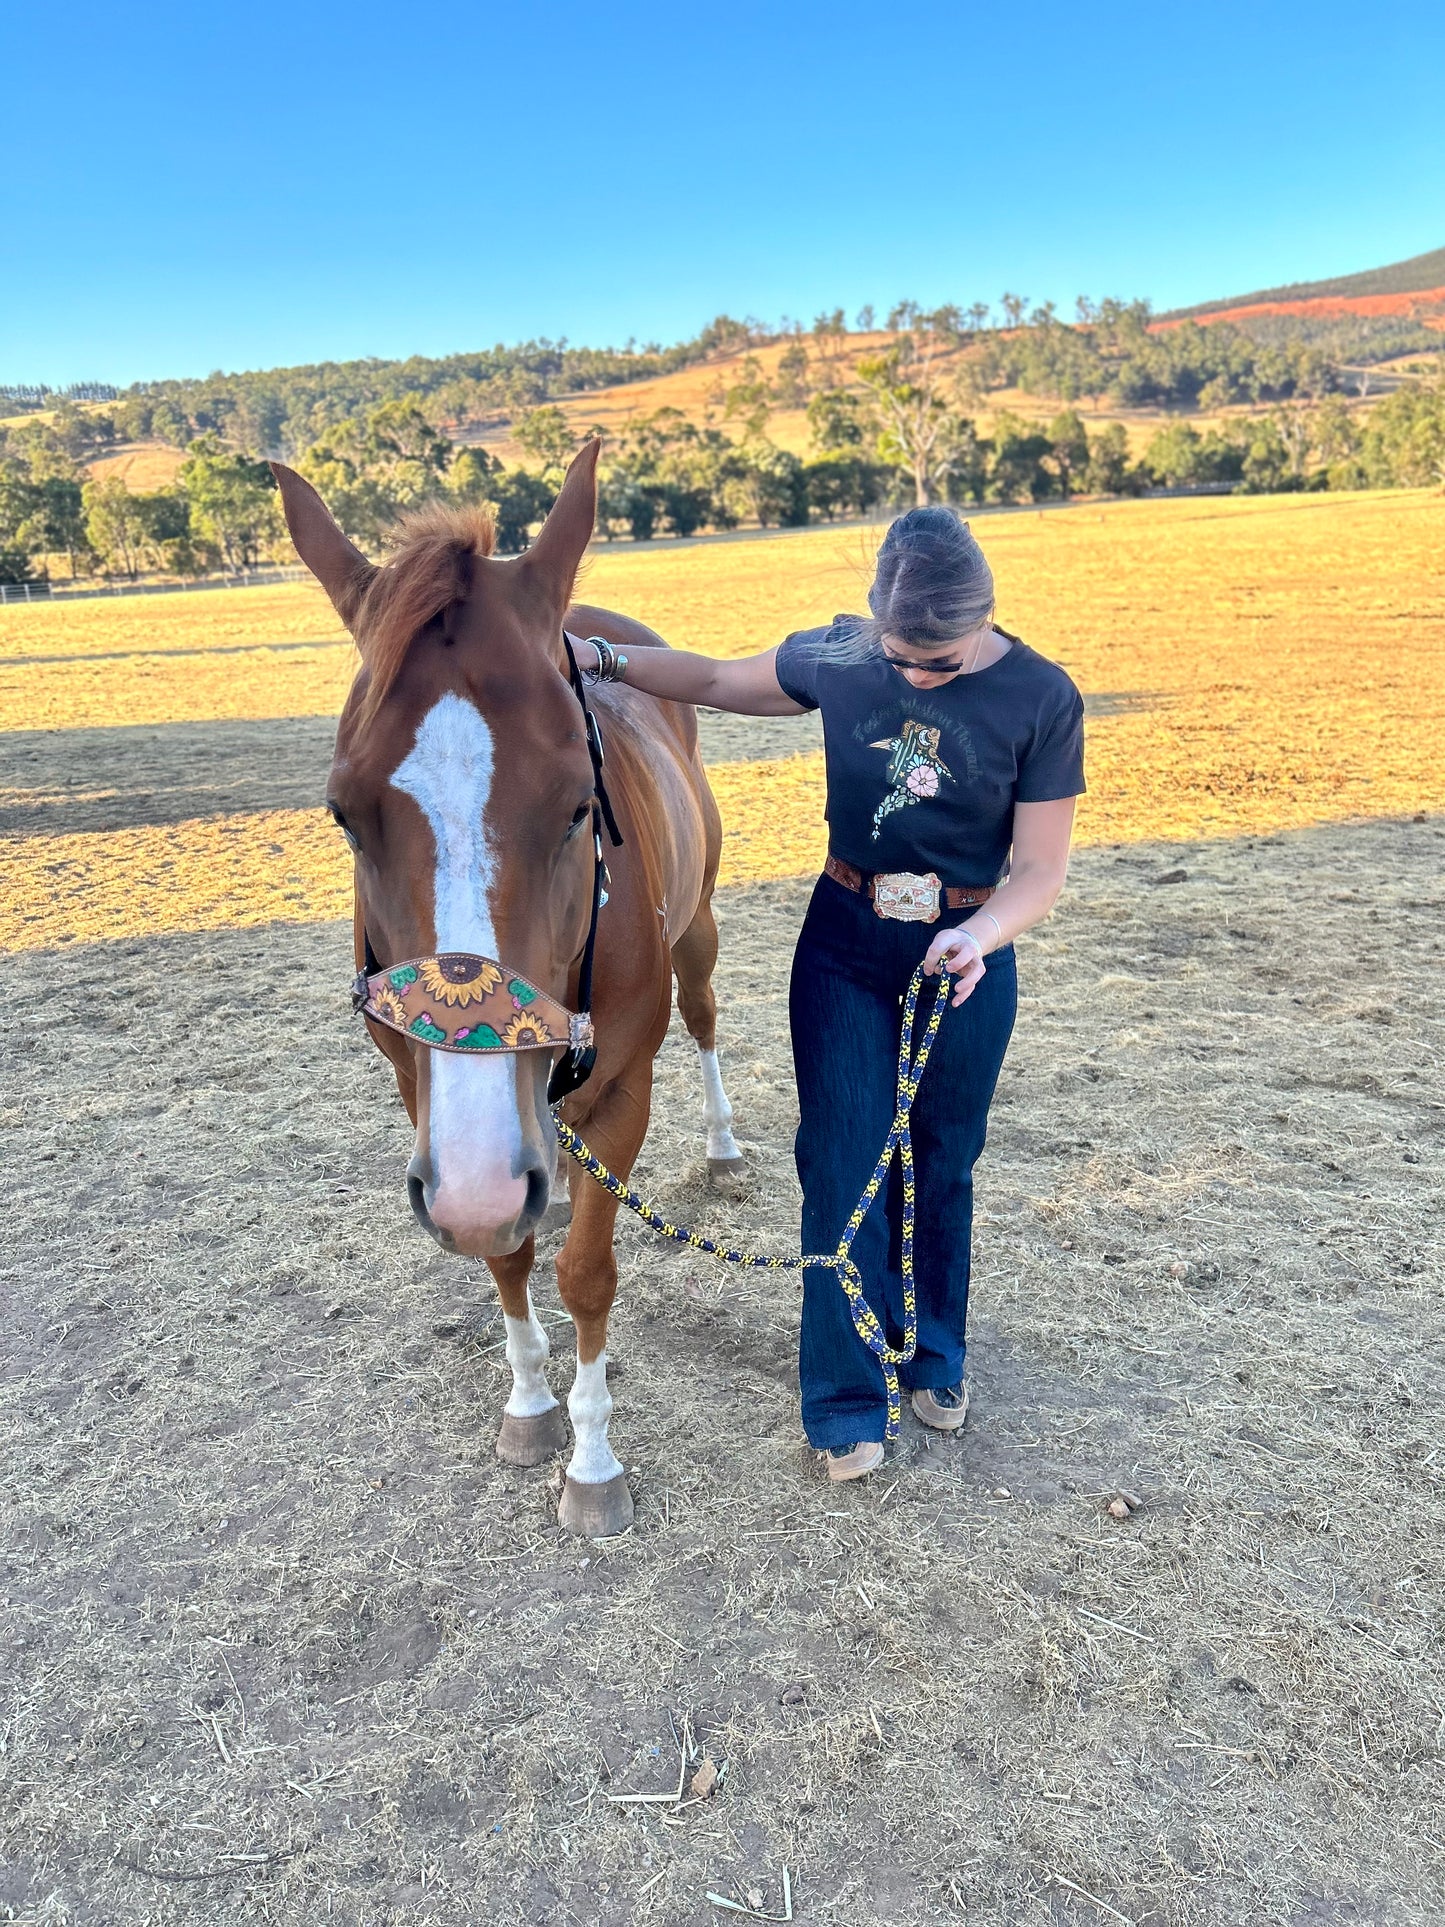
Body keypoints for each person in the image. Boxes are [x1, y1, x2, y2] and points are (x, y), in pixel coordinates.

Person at [571, 507, 1084, 1481]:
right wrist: (598, 655)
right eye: (904, 658)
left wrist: (978, 935)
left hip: (967, 951)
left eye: (942, 661)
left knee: (942, 1160)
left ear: (986, 618)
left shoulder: (1040, 696)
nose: (920, 676)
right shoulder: (841, 659)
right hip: (845, 944)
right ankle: (845, 1396)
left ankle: (933, 1350)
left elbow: (1042, 868)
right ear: (872, 621)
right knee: (840, 1160)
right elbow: (717, 680)